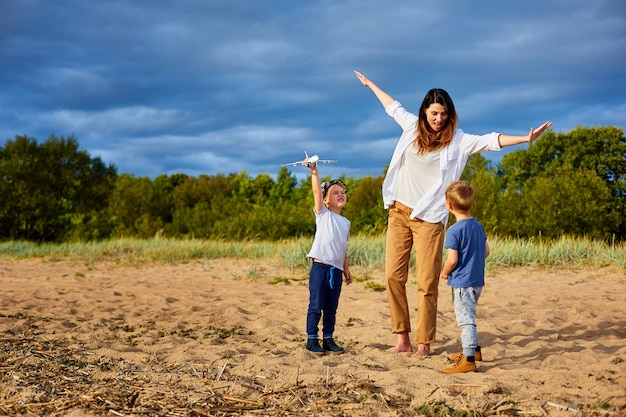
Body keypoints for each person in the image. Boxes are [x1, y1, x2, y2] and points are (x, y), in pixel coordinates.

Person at [354, 70, 551, 357]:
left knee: (426, 281)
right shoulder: (410, 127)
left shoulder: (458, 141)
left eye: (443, 114)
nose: (438, 119)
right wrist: (371, 84)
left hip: (430, 219)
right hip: (398, 212)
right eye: (434, 113)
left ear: (450, 114)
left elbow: (490, 140)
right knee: (393, 276)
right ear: (424, 112)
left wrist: (525, 138)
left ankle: (423, 343)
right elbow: (391, 106)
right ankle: (402, 339)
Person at [304, 157, 353, 354]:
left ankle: (328, 339)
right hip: (320, 268)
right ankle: (311, 339)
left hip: (337, 270)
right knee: (316, 305)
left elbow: (343, 248)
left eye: (343, 192)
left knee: (331, 308)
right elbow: (316, 190)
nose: (340, 195)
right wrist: (314, 170)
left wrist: (346, 269)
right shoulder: (323, 214)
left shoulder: (346, 222)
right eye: (335, 192)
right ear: (325, 199)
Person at [439, 181, 488, 373]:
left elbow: (452, 260)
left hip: (462, 282)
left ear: (449, 205)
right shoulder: (477, 226)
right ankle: (474, 351)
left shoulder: (454, 231)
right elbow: (486, 251)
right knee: (470, 312)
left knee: (466, 319)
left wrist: (444, 273)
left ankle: (468, 360)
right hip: (476, 279)